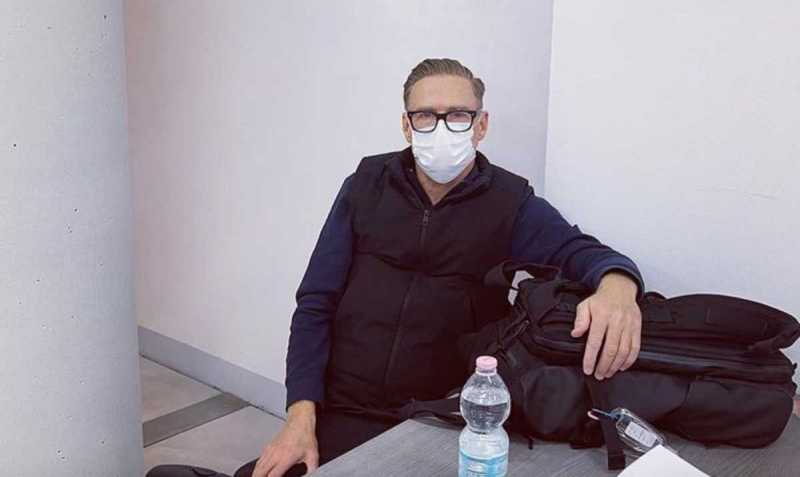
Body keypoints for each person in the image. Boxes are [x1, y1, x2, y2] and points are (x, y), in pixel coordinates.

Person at [234, 58, 644, 477]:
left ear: (481, 126)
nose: (442, 129)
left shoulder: (510, 202)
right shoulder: (365, 185)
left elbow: (583, 252)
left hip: (444, 418)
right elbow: (315, 303)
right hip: (345, 409)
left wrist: (618, 286)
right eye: (426, 116)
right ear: (407, 125)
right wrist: (300, 418)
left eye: (459, 116)